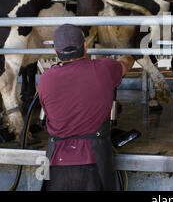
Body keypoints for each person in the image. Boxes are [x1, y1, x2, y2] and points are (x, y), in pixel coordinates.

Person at [38, 23, 135, 191]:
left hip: (55, 162)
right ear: (85, 46)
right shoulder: (105, 68)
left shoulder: (45, 79)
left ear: (55, 51)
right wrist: (132, 49)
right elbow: (126, 63)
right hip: (93, 159)